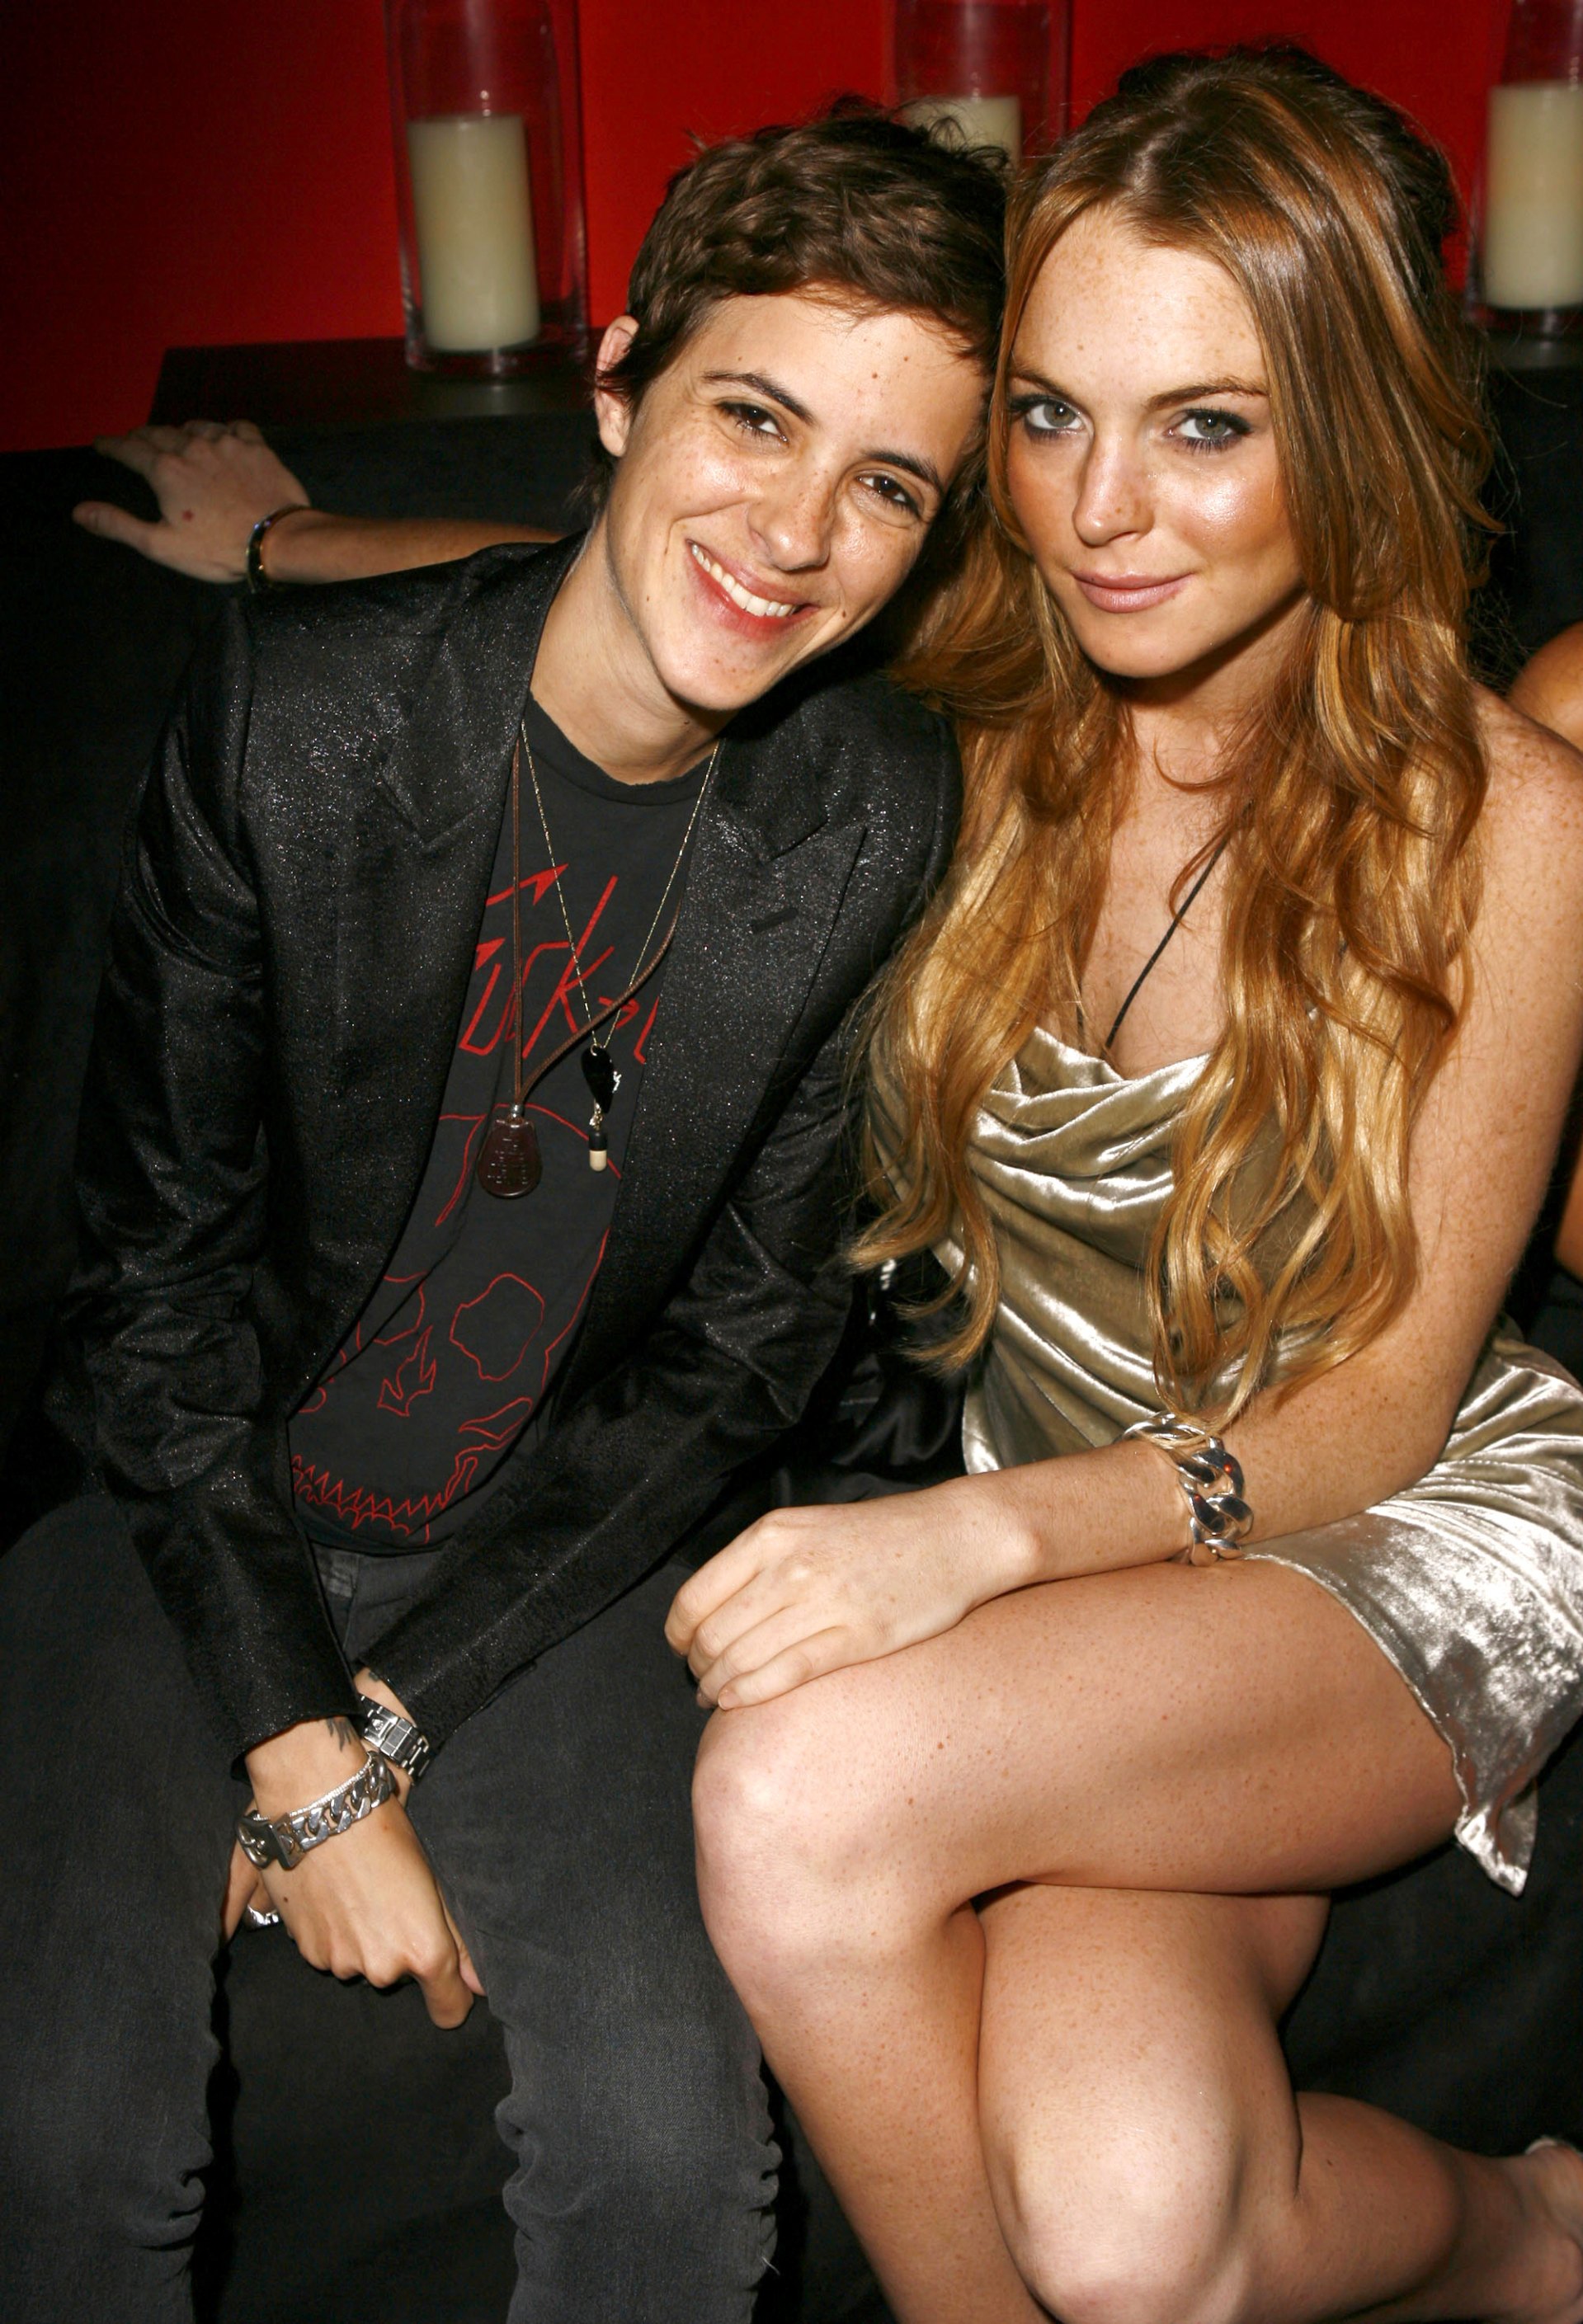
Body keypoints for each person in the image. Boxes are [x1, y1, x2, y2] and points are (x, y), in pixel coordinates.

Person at [0, 109, 1003, 2322]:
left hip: (552, 1553)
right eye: (756, 417)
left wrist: (385, 1725)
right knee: (59, 2149)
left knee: (670, 2156)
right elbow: (147, 1298)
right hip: (190, 1509)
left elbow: (744, 1355)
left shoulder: (873, 813)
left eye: (888, 485)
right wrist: (289, 1741)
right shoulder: (291, 725)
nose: (797, 536)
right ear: (623, 383)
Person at [664, 50, 1583, 2324]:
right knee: (1136, 2229)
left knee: (794, 1795)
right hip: (1113, 1590)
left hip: (1389, 1531)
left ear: (1353, 435)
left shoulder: (1515, 825)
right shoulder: (983, 707)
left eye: (1205, 426)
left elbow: (1383, 1410)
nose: (1100, 510)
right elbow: (644, 594)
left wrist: (972, 1543)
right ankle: (1539, 2241)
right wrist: (283, 542)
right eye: (1053, 415)